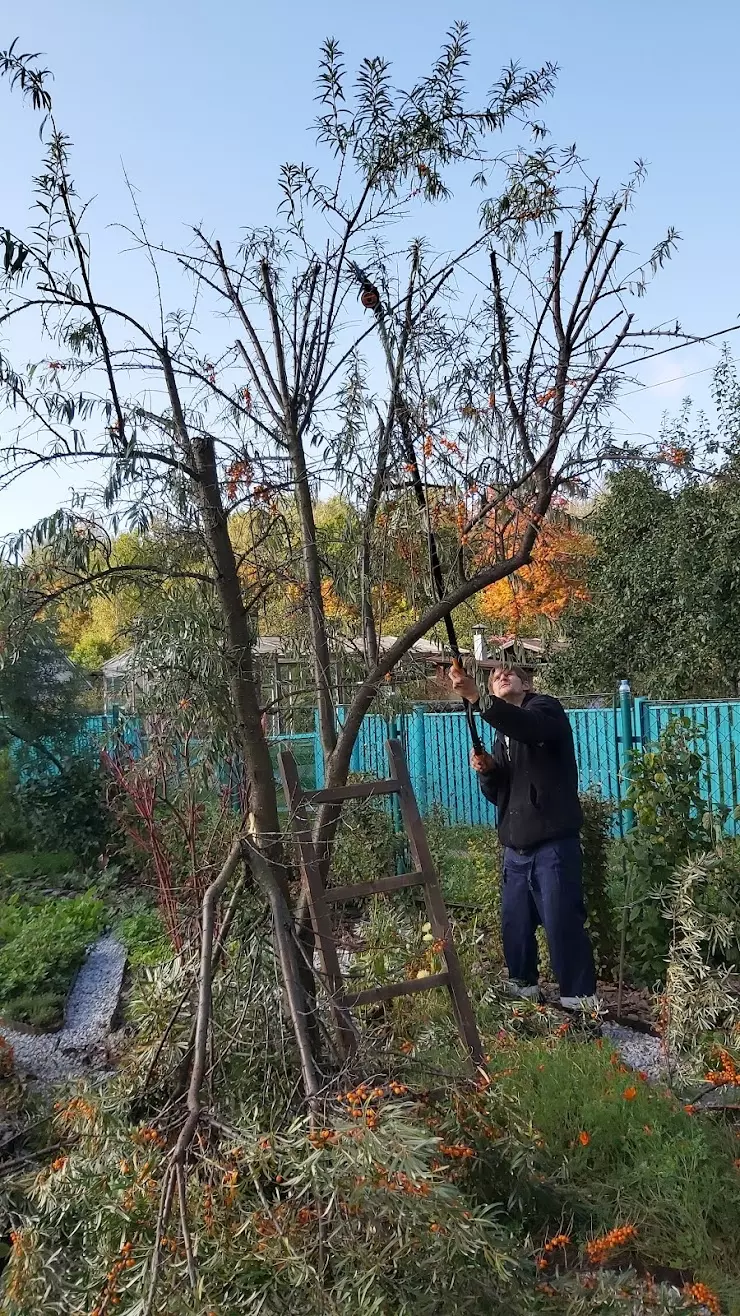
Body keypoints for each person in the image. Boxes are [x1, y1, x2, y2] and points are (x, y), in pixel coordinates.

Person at [448, 660, 597, 1010]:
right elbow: (501, 792)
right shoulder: (502, 736)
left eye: (508, 672)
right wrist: (488, 772)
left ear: (526, 684)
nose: (500, 675)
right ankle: (524, 999)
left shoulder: (545, 709)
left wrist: (478, 698)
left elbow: (529, 728)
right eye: (494, 676)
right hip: (515, 851)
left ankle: (582, 1008)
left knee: (563, 926)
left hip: (553, 847)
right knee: (515, 928)